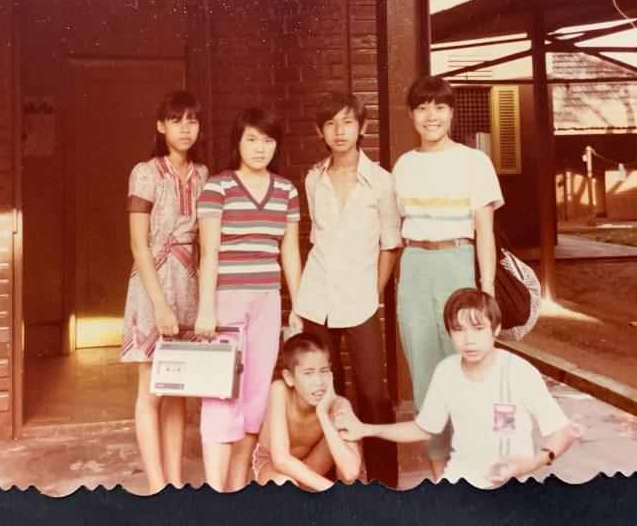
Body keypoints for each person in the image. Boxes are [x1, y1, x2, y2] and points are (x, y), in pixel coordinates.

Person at [335, 289, 576, 489]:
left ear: (496, 329)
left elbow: (562, 432)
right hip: (461, 482)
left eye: (478, 328)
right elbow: (423, 428)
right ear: (450, 333)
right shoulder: (447, 372)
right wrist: (365, 429)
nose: (469, 340)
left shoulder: (518, 372)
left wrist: (532, 463)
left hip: (513, 485)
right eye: (459, 330)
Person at [392, 75, 504, 479]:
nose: (431, 116)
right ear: (411, 115)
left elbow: (484, 229)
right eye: (422, 108)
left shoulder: (474, 161)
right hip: (415, 267)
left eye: (439, 107)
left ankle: (479, 470)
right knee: (426, 376)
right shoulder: (404, 165)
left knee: (469, 367)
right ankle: (440, 476)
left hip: (458, 263)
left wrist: (486, 287)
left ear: (452, 113)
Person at [293, 92, 401, 487]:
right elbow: (316, 238)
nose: (340, 131)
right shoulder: (313, 178)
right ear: (321, 131)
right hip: (316, 297)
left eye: (348, 122)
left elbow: (390, 244)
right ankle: (337, 484)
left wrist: (372, 293)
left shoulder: (381, 182)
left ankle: (386, 484)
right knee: (324, 390)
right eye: (331, 124)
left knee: (372, 394)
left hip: (359, 301)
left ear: (363, 128)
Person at [195, 108, 303, 492]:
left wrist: (299, 307)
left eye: (268, 140)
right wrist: (206, 308)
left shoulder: (286, 190)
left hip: (267, 301)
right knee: (221, 393)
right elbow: (208, 252)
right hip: (225, 299)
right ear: (237, 143)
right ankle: (214, 492)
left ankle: (237, 489)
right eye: (252, 139)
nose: (260, 148)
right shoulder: (217, 188)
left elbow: (290, 252)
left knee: (256, 395)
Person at [119, 90, 208, 493]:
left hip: (188, 282)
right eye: (177, 120)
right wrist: (159, 304)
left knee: (180, 389)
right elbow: (138, 244)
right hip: (153, 282)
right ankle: (156, 485)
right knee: (153, 386)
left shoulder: (203, 174)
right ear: (161, 126)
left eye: (192, 120)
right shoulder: (146, 173)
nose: (185, 128)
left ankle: (175, 481)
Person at [253, 333, 362, 490]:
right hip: (272, 465)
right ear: (289, 378)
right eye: (308, 373)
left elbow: (350, 472)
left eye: (324, 371)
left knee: (339, 418)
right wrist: (331, 490)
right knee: (286, 485)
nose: (319, 382)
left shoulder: (339, 405)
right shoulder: (280, 391)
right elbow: (281, 459)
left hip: (310, 466)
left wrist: (323, 415)